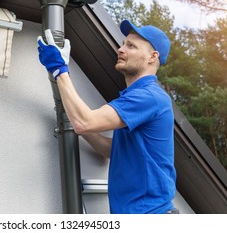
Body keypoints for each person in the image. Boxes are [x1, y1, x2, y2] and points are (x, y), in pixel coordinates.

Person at [37, 20, 177, 214]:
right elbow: (113, 150)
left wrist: (59, 69)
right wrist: (74, 120)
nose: (120, 49)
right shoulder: (136, 97)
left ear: (152, 57)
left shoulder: (148, 97)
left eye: (131, 46)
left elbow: (85, 122)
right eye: (123, 44)